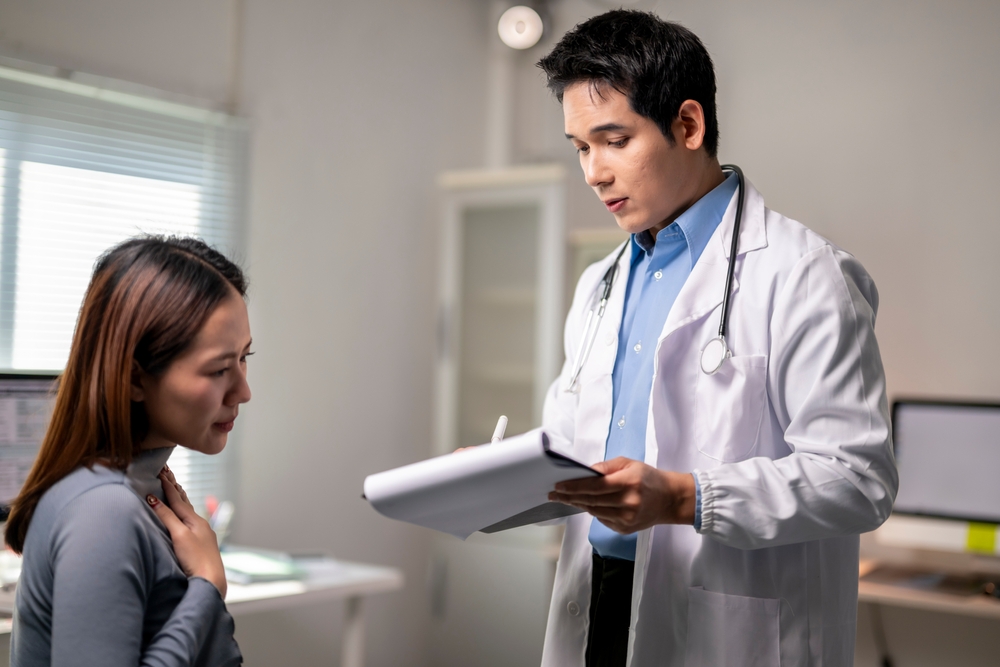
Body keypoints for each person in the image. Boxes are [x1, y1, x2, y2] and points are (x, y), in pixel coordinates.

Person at [535, 10, 898, 667]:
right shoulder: (600, 283)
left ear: (688, 124)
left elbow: (858, 478)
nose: (593, 171)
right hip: (598, 597)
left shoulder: (805, 275)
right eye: (581, 147)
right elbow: (571, 444)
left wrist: (682, 496)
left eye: (614, 140)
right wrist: (498, 476)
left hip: (732, 621)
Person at [5, 236, 252, 667]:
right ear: (136, 379)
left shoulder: (136, 489)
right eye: (218, 370)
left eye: (246, 358)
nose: (243, 392)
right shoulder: (104, 510)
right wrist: (207, 587)